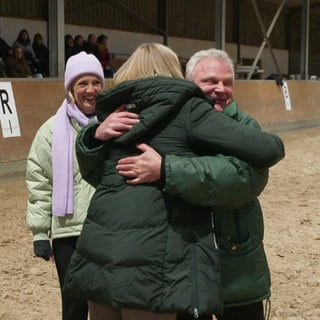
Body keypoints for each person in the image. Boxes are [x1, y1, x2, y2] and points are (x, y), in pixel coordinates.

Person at [63, 43, 284, 320]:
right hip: (164, 260)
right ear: (185, 81)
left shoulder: (121, 113)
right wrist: (93, 136)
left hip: (215, 259)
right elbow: (105, 176)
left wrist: (168, 169)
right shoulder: (177, 112)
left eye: (227, 82)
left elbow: (244, 178)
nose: (219, 89)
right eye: (209, 81)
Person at [26, 52, 110, 320]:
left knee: (107, 303)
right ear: (71, 88)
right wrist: (40, 233)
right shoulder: (51, 131)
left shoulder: (114, 125)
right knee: (74, 305)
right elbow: (39, 180)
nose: (90, 90)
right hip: (68, 232)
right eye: (82, 83)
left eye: (96, 82)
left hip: (107, 228)